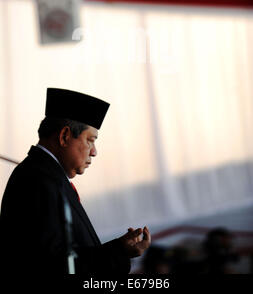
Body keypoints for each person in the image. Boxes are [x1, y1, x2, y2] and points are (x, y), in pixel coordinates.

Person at [0, 88, 151, 276]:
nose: (94, 151)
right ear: (64, 136)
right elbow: (52, 266)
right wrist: (119, 252)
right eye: (90, 140)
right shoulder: (37, 181)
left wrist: (119, 247)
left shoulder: (46, 176)